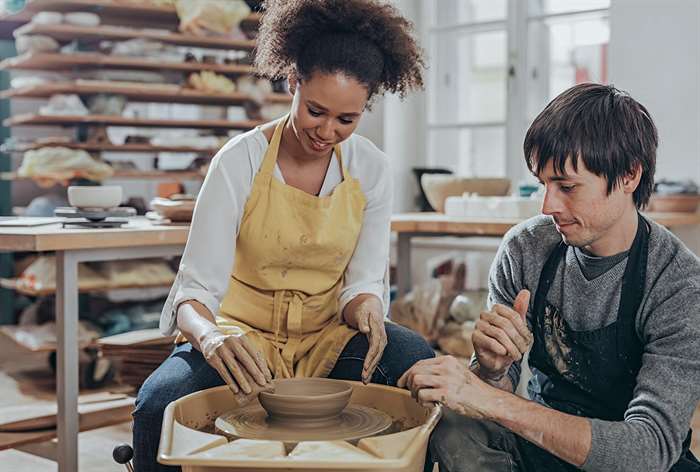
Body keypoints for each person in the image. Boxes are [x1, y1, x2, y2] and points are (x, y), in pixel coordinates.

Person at [132, 1, 434, 470]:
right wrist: (211, 339)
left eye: (346, 120)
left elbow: (363, 283)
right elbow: (194, 293)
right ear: (292, 82)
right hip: (238, 337)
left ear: (366, 106)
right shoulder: (238, 162)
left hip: (326, 337)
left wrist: (370, 307)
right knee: (159, 402)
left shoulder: (371, 168)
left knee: (414, 360)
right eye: (316, 111)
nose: (327, 131)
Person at [400, 83, 700, 472]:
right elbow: (492, 391)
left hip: (640, 463)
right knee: (453, 424)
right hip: (544, 448)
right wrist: (489, 369)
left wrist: (491, 400)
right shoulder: (526, 249)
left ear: (629, 176)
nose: (548, 206)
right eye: (544, 184)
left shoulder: (677, 284)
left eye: (567, 186)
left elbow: (648, 449)